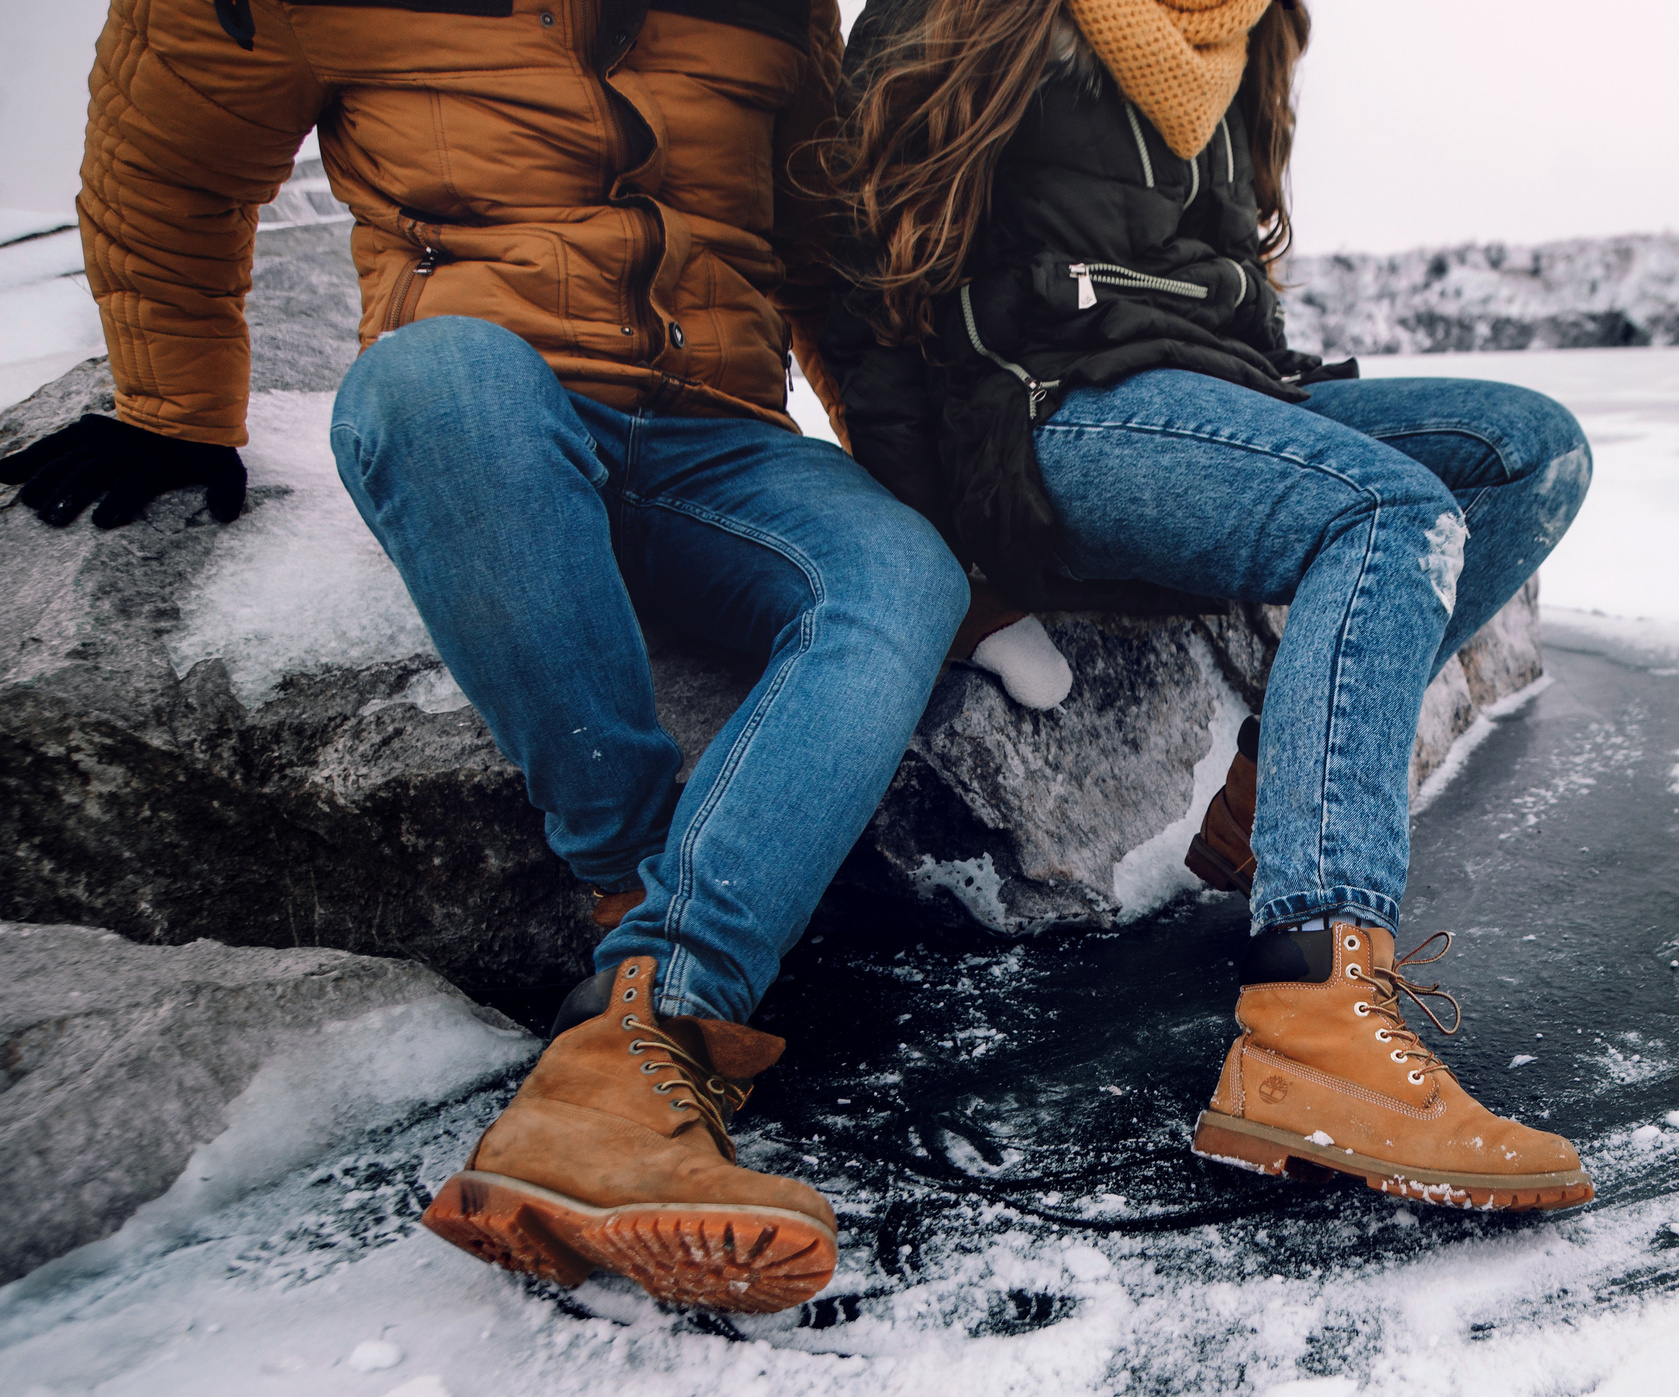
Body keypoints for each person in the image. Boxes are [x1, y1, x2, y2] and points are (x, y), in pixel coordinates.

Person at [1, 0, 969, 1311]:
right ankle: (636, 933)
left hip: (718, 442)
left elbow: (833, 258)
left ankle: (641, 1033)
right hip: (478, 409)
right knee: (438, 374)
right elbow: (176, 135)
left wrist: (926, 494)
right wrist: (175, 403)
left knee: (901, 573)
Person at [821, 0, 1598, 1209]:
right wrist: (945, 541)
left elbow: (1230, 274)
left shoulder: (1242, 23)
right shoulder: (964, 13)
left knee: (1529, 448)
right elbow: (856, 274)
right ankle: (1308, 1017)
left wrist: (1268, 409)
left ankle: (1273, 791)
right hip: (1047, 416)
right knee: (1390, 512)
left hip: (1220, 402)